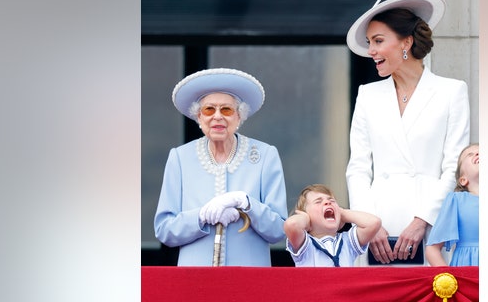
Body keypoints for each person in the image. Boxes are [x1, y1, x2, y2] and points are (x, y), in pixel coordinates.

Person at [345, 0, 470, 265]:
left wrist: (423, 220)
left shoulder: (451, 91)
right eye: (369, 43)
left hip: (432, 224)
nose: (371, 51)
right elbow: (358, 168)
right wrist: (368, 223)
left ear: (407, 42)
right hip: (377, 226)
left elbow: (454, 167)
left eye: (378, 41)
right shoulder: (368, 95)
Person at [154, 68, 288, 266]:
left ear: (239, 117)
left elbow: (278, 230)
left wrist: (246, 203)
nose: (217, 117)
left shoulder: (265, 155)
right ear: (199, 117)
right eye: (209, 110)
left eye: (226, 110)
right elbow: (164, 230)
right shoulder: (180, 157)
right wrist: (201, 216)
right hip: (195, 280)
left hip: (250, 279)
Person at [284, 184, 381, 267]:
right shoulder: (305, 244)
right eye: (318, 201)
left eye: (332, 201)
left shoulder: (348, 242)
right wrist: (306, 219)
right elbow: (291, 225)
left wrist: (342, 213)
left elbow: (374, 223)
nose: (328, 202)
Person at [425, 143, 479, 266]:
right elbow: (432, 249)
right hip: (466, 273)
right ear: (463, 179)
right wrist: (448, 280)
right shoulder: (456, 201)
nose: (478, 154)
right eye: (470, 154)